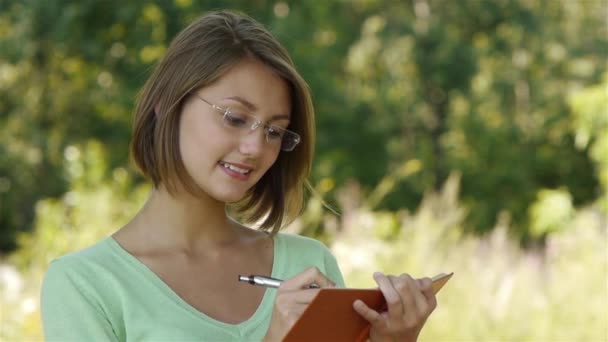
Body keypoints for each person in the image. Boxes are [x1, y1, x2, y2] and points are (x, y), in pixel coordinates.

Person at [41, 10, 438, 341]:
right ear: (166, 106)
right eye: (235, 118)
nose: (256, 147)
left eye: (274, 131)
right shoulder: (84, 285)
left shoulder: (309, 265)